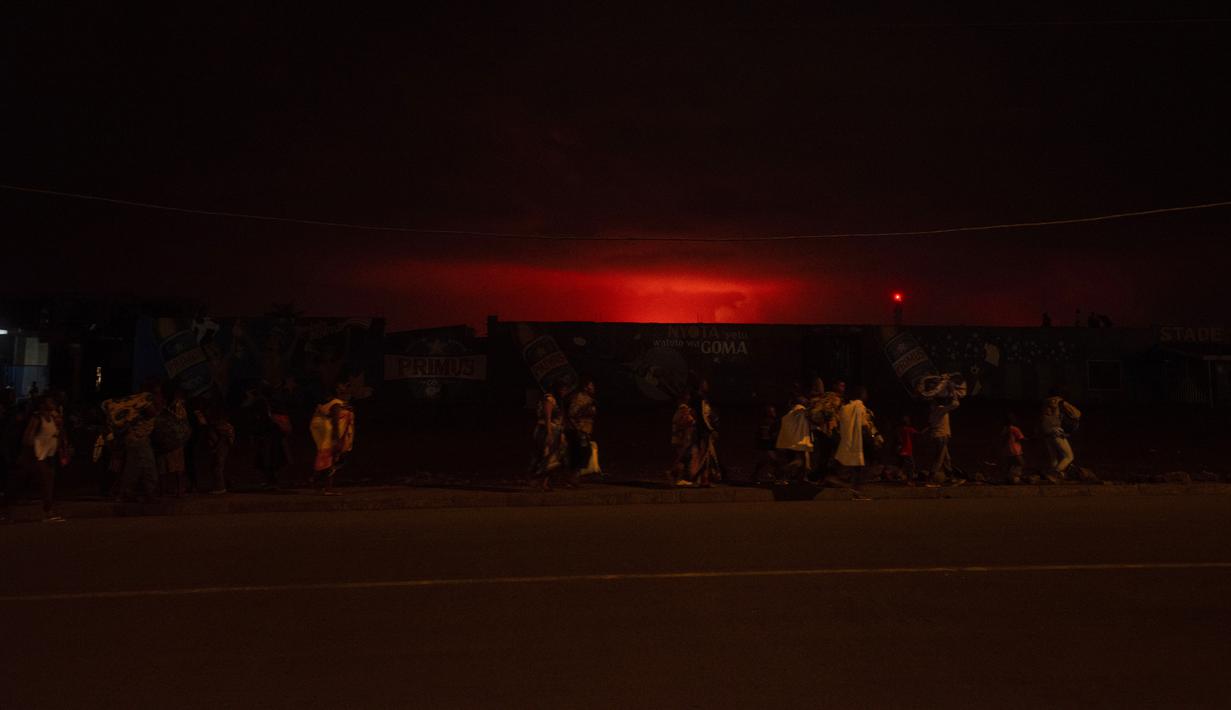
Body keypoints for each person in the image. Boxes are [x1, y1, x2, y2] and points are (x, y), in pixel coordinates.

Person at [2, 397, 65, 522]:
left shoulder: (53, 418)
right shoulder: (37, 418)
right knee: (27, 483)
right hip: (36, 456)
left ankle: (48, 512)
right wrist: (28, 453)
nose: (53, 404)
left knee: (46, 483)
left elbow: (57, 435)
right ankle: (6, 510)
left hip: (48, 455)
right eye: (50, 402)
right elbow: (28, 436)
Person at [826, 386, 873, 499]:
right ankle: (854, 490)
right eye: (865, 393)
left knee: (853, 466)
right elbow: (863, 425)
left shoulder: (845, 408)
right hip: (858, 443)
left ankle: (853, 490)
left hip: (847, 441)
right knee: (860, 468)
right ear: (861, 395)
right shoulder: (859, 406)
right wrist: (871, 438)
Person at [310, 385, 354, 495]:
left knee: (331, 459)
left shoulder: (340, 404)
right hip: (332, 435)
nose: (348, 393)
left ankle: (319, 485)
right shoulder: (336, 404)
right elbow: (335, 422)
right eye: (344, 391)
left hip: (335, 434)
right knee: (329, 459)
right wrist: (336, 438)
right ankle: (326, 487)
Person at [529, 382, 569, 491]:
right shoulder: (549, 399)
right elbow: (548, 417)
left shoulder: (559, 401)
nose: (564, 392)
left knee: (552, 458)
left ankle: (545, 483)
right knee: (544, 455)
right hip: (546, 429)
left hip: (556, 429)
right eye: (563, 389)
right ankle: (537, 481)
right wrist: (549, 433)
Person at [1039, 389, 1081, 483]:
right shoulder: (1060, 402)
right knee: (1069, 456)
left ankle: (1053, 478)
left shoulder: (1045, 403)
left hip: (1047, 433)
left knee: (1054, 458)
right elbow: (1077, 414)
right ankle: (1054, 474)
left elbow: (1043, 419)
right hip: (1056, 431)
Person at [565, 378, 598, 487]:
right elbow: (572, 413)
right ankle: (572, 479)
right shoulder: (580, 398)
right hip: (578, 430)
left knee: (583, 453)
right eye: (591, 386)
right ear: (585, 387)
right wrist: (578, 430)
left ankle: (575, 478)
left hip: (584, 430)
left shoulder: (589, 399)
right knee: (579, 453)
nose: (593, 388)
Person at [689, 380, 720, 487]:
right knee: (706, 454)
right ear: (701, 386)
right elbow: (702, 416)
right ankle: (699, 478)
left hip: (701, 430)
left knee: (705, 454)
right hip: (703, 431)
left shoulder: (699, 398)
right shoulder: (700, 398)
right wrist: (710, 429)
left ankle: (703, 478)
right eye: (705, 384)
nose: (707, 386)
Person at [927, 396, 962, 484]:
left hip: (938, 436)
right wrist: (954, 395)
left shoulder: (932, 413)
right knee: (939, 458)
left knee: (946, 458)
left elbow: (931, 425)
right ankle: (930, 479)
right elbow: (955, 404)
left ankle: (951, 477)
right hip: (942, 436)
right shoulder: (940, 409)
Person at [669, 391, 696, 486]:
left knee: (684, 458)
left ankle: (679, 478)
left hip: (679, 438)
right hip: (682, 439)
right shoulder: (683, 409)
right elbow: (689, 422)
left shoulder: (679, 410)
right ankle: (676, 477)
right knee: (682, 458)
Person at [206, 405, 236, 494]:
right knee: (217, 466)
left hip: (220, 448)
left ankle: (220, 487)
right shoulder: (224, 426)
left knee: (217, 467)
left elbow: (223, 438)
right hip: (220, 447)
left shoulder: (222, 426)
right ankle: (224, 485)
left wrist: (216, 447)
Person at [752, 405, 783, 483]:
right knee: (774, 461)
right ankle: (778, 478)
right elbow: (765, 435)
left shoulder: (769, 421)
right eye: (772, 411)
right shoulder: (767, 422)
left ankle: (754, 476)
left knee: (764, 461)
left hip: (767, 444)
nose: (774, 413)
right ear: (768, 413)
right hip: (767, 445)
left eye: (774, 411)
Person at [1001, 412, 1026, 484]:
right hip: (1016, 449)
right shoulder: (1015, 429)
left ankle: (1008, 478)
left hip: (1007, 449)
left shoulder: (1005, 429)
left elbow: (1002, 438)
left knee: (1010, 464)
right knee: (1022, 463)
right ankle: (1016, 477)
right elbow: (1021, 438)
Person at [896, 415, 921, 485]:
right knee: (912, 466)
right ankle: (909, 481)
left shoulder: (900, 429)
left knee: (904, 466)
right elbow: (919, 434)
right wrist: (928, 429)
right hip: (907, 451)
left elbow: (899, 440)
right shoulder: (909, 429)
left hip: (902, 451)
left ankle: (902, 478)